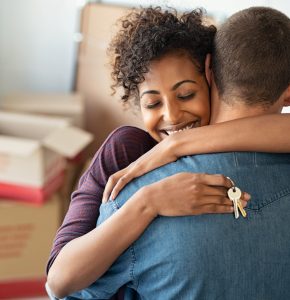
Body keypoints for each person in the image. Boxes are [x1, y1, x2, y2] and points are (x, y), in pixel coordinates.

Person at [46, 6, 290, 299]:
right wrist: (148, 202)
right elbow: (58, 282)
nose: (173, 116)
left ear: (209, 74)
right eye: (152, 104)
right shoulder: (125, 157)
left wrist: (178, 145)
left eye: (186, 94)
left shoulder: (149, 175)